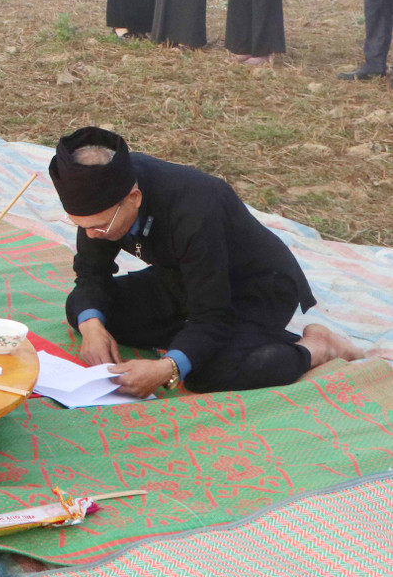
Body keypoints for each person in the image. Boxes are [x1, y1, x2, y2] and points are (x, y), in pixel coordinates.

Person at [49, 126, 374, 396]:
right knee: (86, 309)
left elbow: (212, 313)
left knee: (207, 375)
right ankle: (199, 340)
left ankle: (316, 347)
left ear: (133, 198)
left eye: (99, 226)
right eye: (81, 226)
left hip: (253, 289)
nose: (91, 235)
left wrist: (168, 367)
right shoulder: (102, 197)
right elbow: (91, 273)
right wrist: (92, 327)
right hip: (184, 279)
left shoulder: (195, 207)